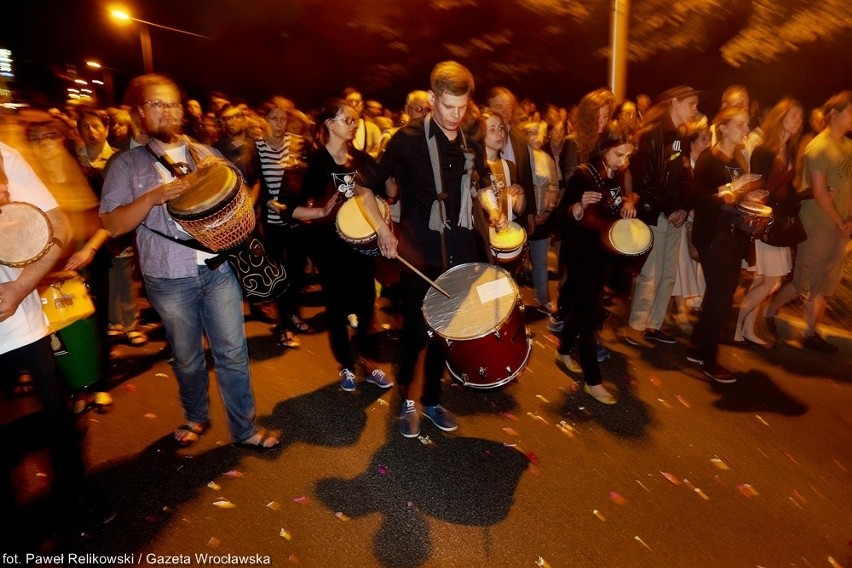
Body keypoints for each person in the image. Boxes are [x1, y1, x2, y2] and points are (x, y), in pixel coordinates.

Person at [100, 73, 280, 449]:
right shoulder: (126, 165)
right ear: (139, 113)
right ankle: (196, 416)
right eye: (157, 104)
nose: (167, 111)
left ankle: (245, 429)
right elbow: (113, 225)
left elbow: (237, 197)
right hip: (168, 277)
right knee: (188, 357)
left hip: (219, 270)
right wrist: (153, 197)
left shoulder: (206, 153)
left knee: (233, 353)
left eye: (173, 104)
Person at [371, 61, 492, 438]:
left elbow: (481, 186)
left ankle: (433, 399)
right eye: (447, 107)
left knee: (447, 331)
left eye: (462, 107)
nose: (455, 116)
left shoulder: (471, 141)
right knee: (415, 334)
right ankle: (406, 397)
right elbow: (366, 188)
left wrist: (496, 210)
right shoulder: (406, 139)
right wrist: (382, 231)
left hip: (460, 250)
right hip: (419, 252)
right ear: (431, 98)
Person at [1, 141, 113, 542]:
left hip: (19, 328)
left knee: (57, 419)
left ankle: (74, 491)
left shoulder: (4, 155)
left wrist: (18, 290)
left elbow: (58, 227)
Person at [300, 99, 394, 392]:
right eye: (347, 120)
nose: (354, 125)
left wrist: (392, 175)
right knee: (337, 307)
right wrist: (317, 213)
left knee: (367, 306)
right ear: (329, 124)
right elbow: (293, 207)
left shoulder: (362, 160)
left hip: (361, 246)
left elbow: (384, 196)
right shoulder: (316, 163)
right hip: (329, 246)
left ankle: (366, 359)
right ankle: (346, 365)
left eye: (355, 120)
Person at [553, 122, 635, 405]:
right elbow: (561, 215)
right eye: (618, 155)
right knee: (590, 315)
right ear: (603, 150)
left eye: (626, 156)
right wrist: (577, 208)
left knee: (580, 307)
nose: (623, 161)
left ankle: (563, 350)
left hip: (601, 254)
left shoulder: (613, 175)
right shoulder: (583, 175)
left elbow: (612, 207)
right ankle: (593, 380)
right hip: (580, 254)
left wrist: (627, 203)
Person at [764, 91, 852, 353]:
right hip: (817, 224)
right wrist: (839, 220)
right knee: (804, 281)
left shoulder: (848, 147)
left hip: (842, 226)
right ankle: (768, 311)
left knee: (825, 283)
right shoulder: (818, 147)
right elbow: (820, 192)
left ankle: (812, 333)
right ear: (833, 114)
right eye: (849, 111)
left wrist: (849, 221)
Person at [686, 106, 765, 382]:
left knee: (719, 294)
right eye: (740, 125)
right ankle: (709, 361)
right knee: (720, 297)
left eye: (746, 125)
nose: (746, 130)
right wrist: (733, 188)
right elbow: (697, 197)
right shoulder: (710, 159)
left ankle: (697, 347)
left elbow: (735, 198)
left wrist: (749, 197)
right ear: (723, 128)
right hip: (711, 237)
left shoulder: (736, 161)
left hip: (731, 236)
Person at [623, 86, 700, 347]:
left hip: (674, 214)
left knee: (668, 273)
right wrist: (671, 209)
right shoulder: (652, 134)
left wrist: (684, 207)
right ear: (675, 103)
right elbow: (647, 179)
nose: (695, 111)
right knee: (651, 272)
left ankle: (654, 325)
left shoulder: (681, 136)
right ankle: (636, 326)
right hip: (657, 213)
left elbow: (685, 175)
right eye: (691, 104)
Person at [733, 99, 805, 348]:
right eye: (792, 116)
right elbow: (758, 186)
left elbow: (789, 189)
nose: (797, 120)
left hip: (779, 221)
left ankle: (747, 330)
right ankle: (739, 323)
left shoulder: (789, 150)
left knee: (763, 279)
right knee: (771, 279)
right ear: (780, 117)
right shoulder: (765, 150)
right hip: (766, 221)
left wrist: (808, 195)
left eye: (799, 117)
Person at [255, 97, 313, 347]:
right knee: (279, 273)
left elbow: (310, 179)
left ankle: (293, 315)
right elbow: (257, 183)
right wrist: (268, 202)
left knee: (298, 272)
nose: (279, 123)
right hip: (272, 222)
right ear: (264, 120)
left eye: (283, 118)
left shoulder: (298, 144)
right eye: (273, 118)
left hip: (297, 220)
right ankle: (286, 325)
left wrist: (309, 201)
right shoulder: (257, 147)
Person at [521, 119, 559, 313]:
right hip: (520, 217)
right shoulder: (517, 157)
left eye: (540, 132)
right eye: (532, 133)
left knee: (540, 260)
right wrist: (528, 213)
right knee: (515, 262)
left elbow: (554, 186)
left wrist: (547, 211)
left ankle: (542, 299)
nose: (538, 137)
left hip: (542, 218)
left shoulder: (546, 158)